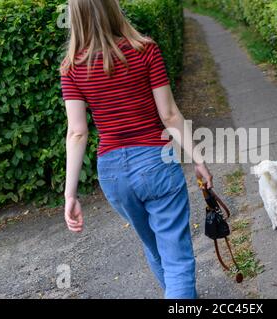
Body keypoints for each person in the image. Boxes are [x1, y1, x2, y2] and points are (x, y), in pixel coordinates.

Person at [60, 0, 213, 299]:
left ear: (75, 16)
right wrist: (198, 159)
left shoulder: (71, 68)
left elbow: (77, 132)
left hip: (113, 174)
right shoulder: (145, 50)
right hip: (156, 163)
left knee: (154, 246)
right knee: (176, 257)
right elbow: (169, 115)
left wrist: (70, 194)